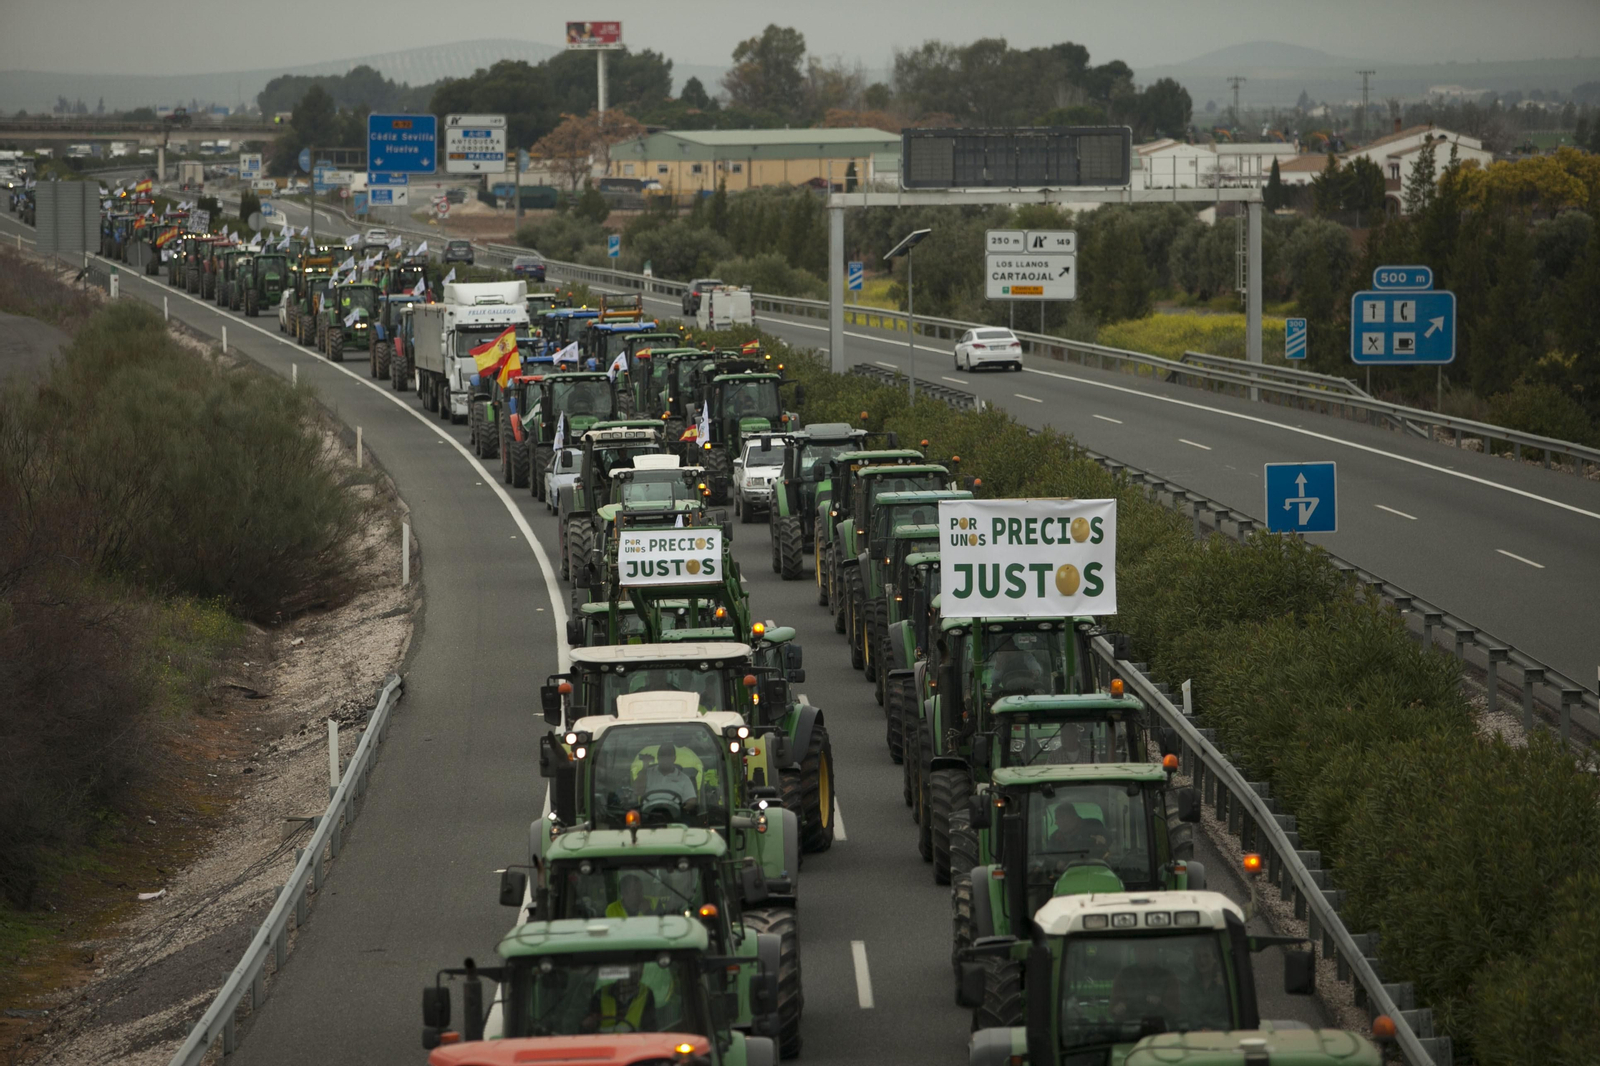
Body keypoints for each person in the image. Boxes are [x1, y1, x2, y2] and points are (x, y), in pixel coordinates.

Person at [581, 967, 658, 1034]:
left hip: (635, 1047)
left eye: (635, 972)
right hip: (601, 1047)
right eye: (627, 972)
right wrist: (588, 1025)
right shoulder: (600, 994)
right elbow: (586, 1030)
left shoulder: (646, 994)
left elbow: (651, 1031)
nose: (630, 976)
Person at [635, 743, 698, 809]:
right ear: (658, 758)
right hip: (648, 814)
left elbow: (692, 801)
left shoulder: (683, 778)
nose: (665, 759)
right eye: (662, 755)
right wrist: (645, 767)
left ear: (674, 758)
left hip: (675, 816)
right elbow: (637, 791)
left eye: (669, 755)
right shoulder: (646, 774)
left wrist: (682, 812)